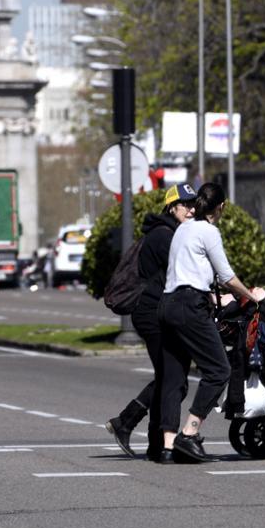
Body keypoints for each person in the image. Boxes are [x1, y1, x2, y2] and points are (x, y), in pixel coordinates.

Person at [158, 182, 265, 463]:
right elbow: (227, 276)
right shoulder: (208, 231)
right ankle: (189, 433)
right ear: (221, 207)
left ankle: (168, 446)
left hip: (167, 304)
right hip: (190, 306)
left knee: (173, 376)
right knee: (219, 370)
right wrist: (251, 297)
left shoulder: (182, 229)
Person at [105, 183, 197, 460]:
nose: (192, 210)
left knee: (172, 379)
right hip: (153, 314)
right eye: (186, 205)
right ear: (172, 207)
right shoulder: (164, 236)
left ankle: (154, 442)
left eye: (194, 205)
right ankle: (127, 423)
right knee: (173, 379)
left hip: (157, 313)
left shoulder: (171, 233)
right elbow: (186, 271)